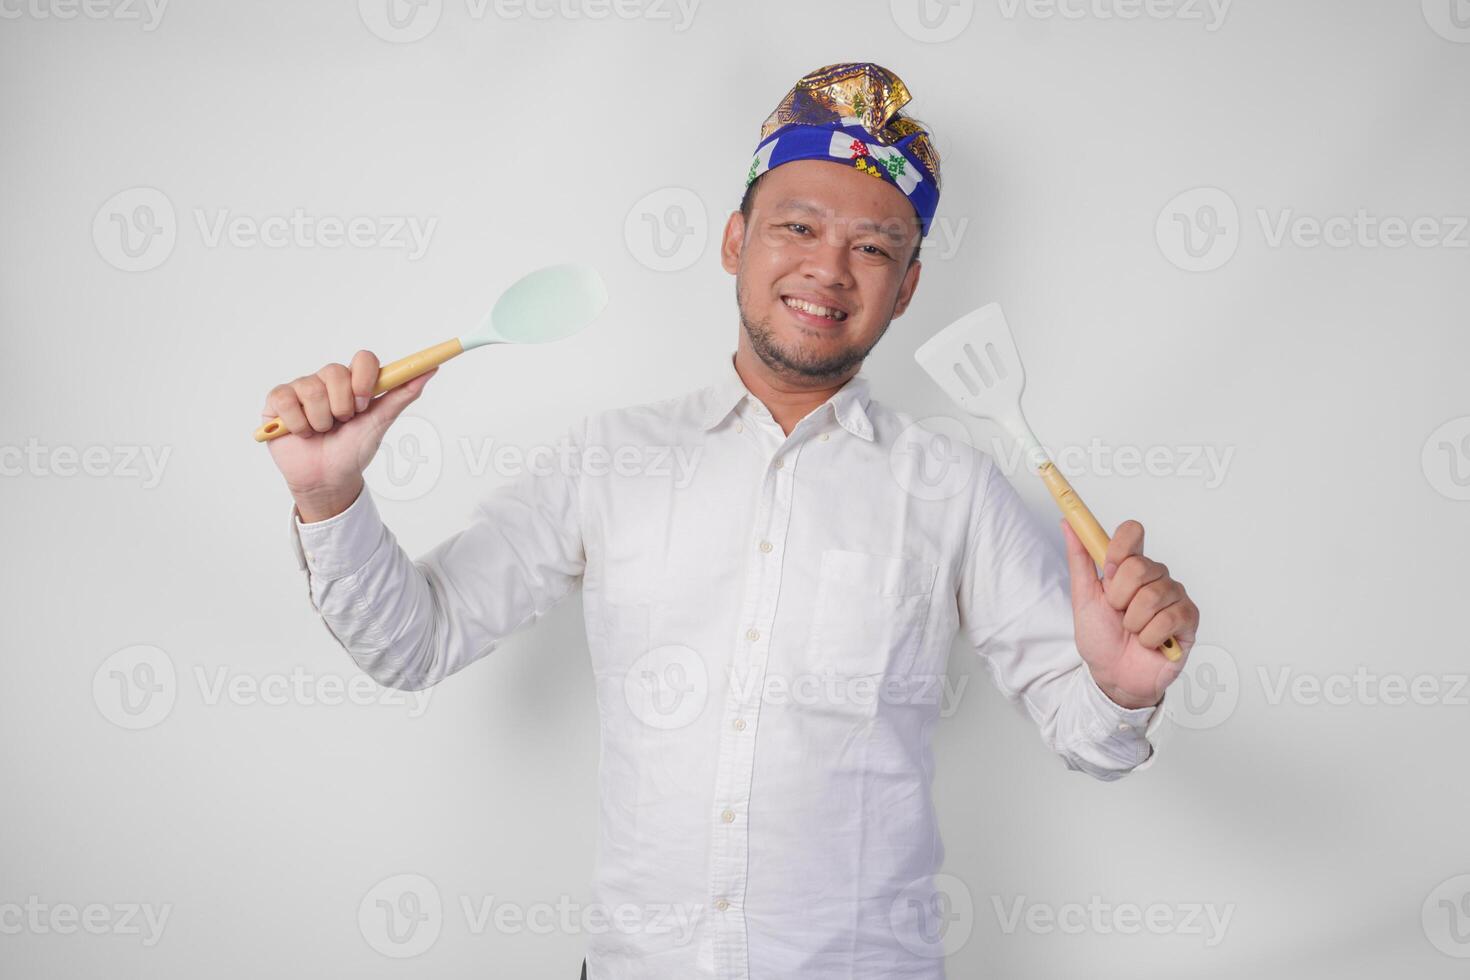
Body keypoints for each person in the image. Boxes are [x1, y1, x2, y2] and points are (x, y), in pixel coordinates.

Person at [261, 62, 1199, 980]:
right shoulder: (607, 462)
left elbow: (1093, 737)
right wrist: (327, 495)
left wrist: (1119, 688)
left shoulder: (954, 489)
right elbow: (411, 645)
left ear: (907, 288)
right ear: (733, 240)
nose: (829, 269)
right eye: (799, 226)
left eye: (873, 248)